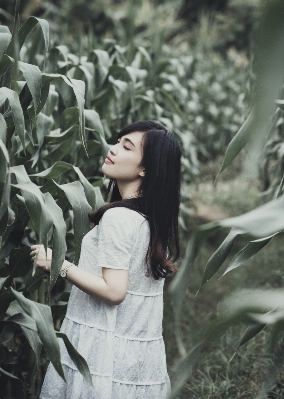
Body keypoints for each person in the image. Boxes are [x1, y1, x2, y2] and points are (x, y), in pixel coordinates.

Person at [31, 120, 182, 399]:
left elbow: (114, 291)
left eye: (127, 147)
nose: (112, 149)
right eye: (117, 141)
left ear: (145, 168)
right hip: (131, 354)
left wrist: (59, 265)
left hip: (101, 349)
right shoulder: (151, 220)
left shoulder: (118, 217)